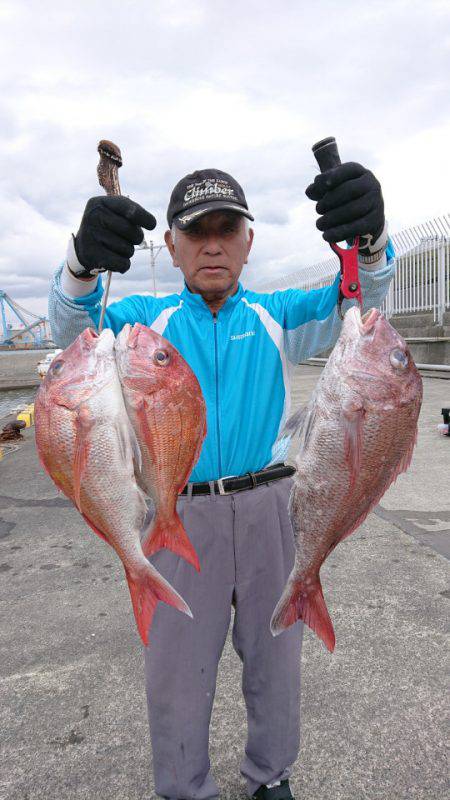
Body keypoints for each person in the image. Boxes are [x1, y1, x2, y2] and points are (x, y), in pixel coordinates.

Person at [48, 161, 394, 800]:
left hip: (272, 506)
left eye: (226, 229)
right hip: (178, 508)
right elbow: (72, 337)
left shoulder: (277, 314)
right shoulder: (141, 321)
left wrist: (370, 244)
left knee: (276, 659)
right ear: (171, 245)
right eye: (195, 231)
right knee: (176, 667)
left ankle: (272, 775)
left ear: (248, 241)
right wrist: (80, 266)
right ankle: (184, 786)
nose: (212, 245)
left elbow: (362, 305)